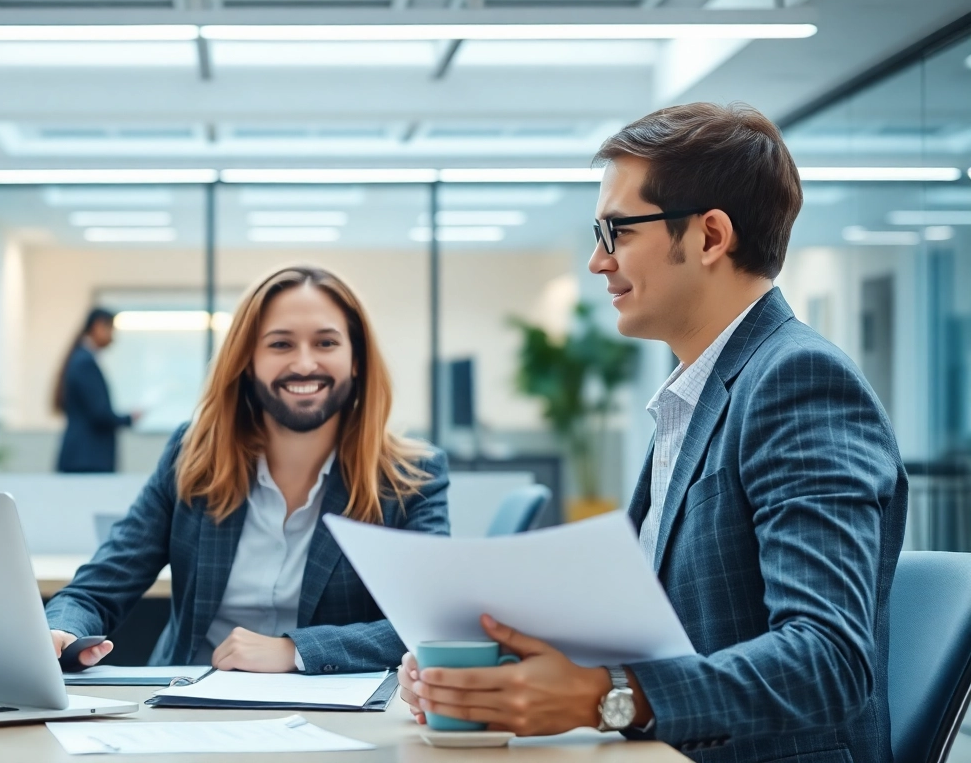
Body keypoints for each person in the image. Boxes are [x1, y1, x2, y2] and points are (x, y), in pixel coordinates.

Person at [398, 102, 907, 762]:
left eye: (617, 232)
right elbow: (668, 628)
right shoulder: (697, 394)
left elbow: (827, 659)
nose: (596, 262)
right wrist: (491, 671)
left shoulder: (797, 381)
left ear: (709, 237)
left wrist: (604, 697)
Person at [46, 265, 449, 673]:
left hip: (336, 721)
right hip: (187, 713)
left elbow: (432, 623)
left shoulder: (411, 477)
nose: (305, 363)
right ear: (247, 360)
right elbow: (96, 588)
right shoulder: (193, 456)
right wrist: (61, 630)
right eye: (280, 345)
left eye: (326, 342)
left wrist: (296, 651)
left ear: (357, 359)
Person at [54, 308, 138, 473]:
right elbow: (99, 413)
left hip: (84, 458)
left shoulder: (80, 359)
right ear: (98, 327)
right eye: (111, 330)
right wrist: (129, 418)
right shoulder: (85, 363)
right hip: (87, 459)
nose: (113, 337)